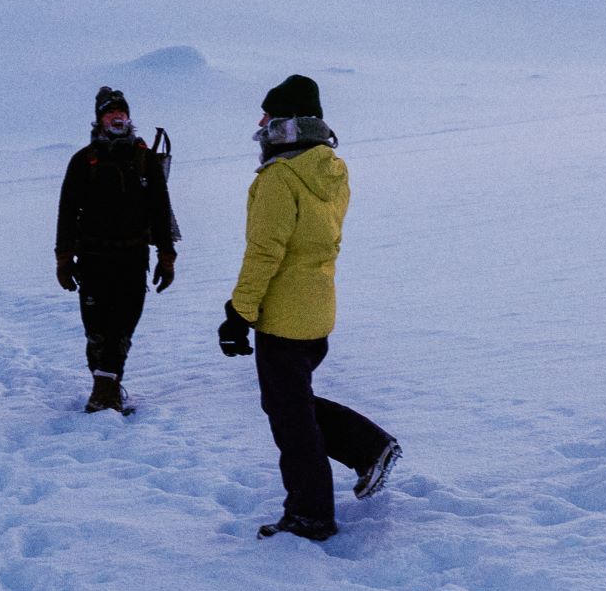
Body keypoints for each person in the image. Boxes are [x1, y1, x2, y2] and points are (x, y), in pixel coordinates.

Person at [218, 74, 399, 540]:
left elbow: (265, 253)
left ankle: (311, 514)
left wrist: (239, 314)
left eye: (268, 115)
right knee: (288, 403)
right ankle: (369, 448)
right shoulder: (330, 169)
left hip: (281, 316)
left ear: (288, 122)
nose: (259, 124)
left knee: (290, 419)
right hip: (317, 311)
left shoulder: (280, 179)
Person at [55, 86, 180, 413]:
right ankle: (106, 388)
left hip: (133, 257)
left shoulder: (144, 159)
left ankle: (104, 394)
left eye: (122, 112)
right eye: (111, 112)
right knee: (96, 331)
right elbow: (67, 211)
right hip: (93, 260)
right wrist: (63, 259)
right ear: (99, 119)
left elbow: (160, 209)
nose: (118, 117)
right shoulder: (83, 161)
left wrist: (166, 257)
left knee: (122, 328)